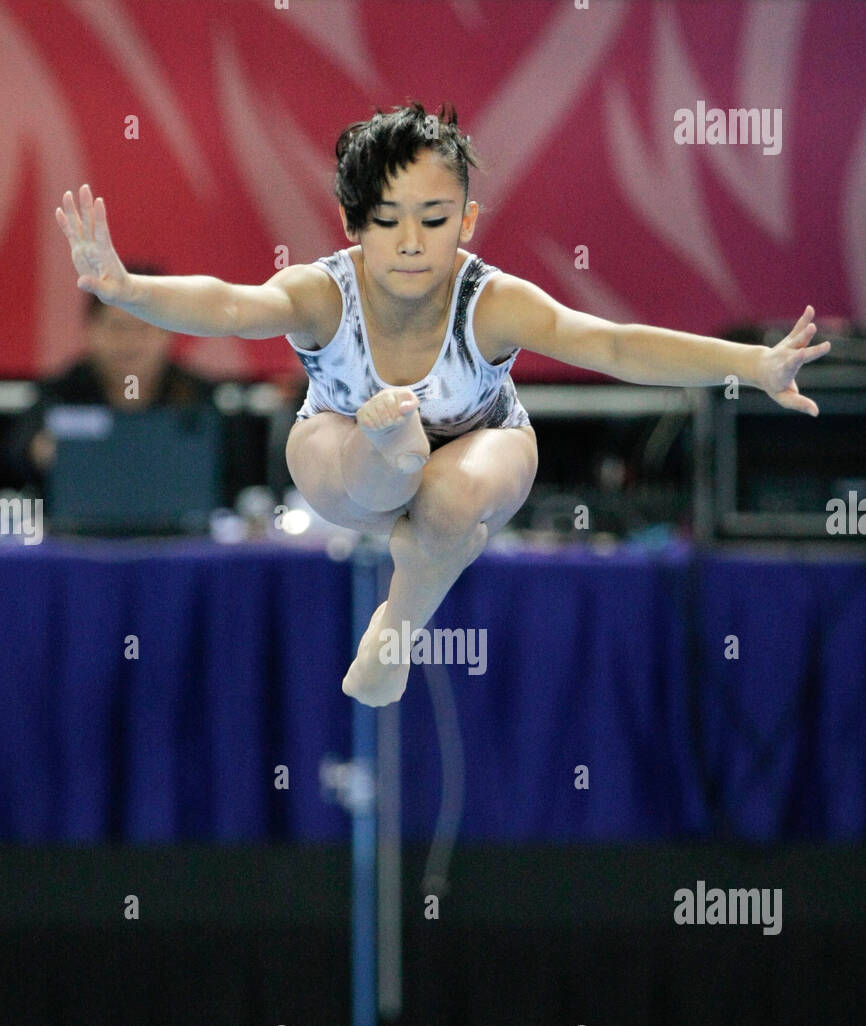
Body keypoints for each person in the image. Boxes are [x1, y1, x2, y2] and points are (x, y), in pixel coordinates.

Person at [55, 101, 831, 707]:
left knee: (449, 495)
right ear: (352, 224)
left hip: (480, 443)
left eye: (434, 220)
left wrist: (753, 364)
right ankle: (388, 447)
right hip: (346, 453)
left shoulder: (489, 302)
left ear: (466, 220)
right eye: (387, 222)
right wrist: (129, 291)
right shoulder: (322, 293)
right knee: (379, 452)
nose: (412, 243)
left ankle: (395, 629)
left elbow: (615, 345)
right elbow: (228, 305)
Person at [2, 264, 215, 493]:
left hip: (182, 524)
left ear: (169, 331)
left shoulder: (199, 396)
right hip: (79, 522)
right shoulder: (60, 393)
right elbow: (15, 460)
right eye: (117, 327)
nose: (130, 341)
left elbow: (235, 474)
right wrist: (37, 451)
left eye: (144, 327)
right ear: (90, 330)